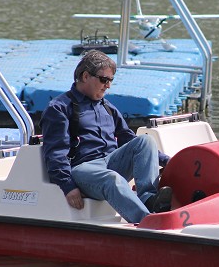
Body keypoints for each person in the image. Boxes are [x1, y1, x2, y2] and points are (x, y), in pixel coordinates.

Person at [40, 49, 172, 223]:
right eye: (104, 79)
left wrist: (168, 161)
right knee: (112, 178)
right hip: (82, 169)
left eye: (111, 80)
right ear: (86, 76)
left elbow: (128, 139)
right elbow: (56, 152)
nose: (108, 85)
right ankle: (149, 222)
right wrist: (67, 186)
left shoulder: (107, 107)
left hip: (110, 163)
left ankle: (148, 199)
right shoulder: (59, 108)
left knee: (145, 140)